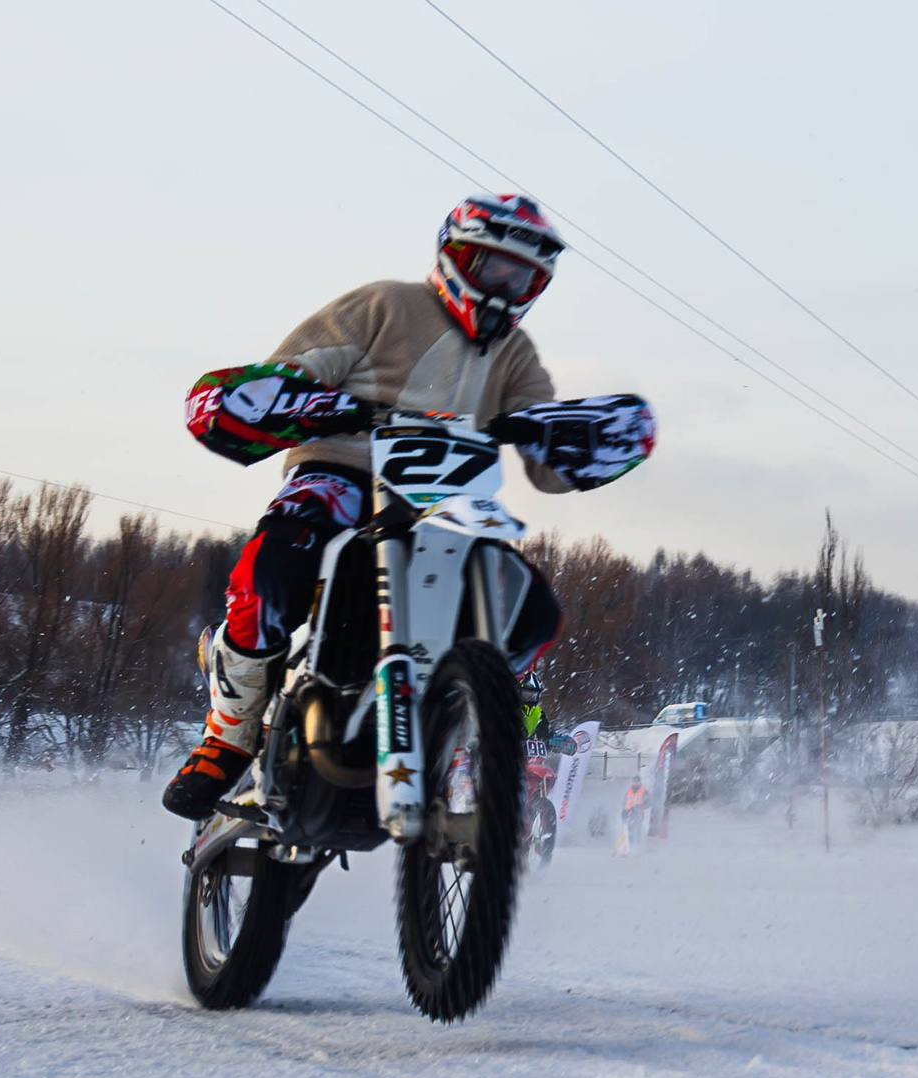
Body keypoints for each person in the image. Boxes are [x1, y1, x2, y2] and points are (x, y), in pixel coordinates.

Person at [163, 192, 658, 820]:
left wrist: (568, 437)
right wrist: (310, 399)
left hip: (448, 505)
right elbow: (295, 366)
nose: (505, 286)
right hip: (340, 471)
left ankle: (456, 716)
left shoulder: (516, 352)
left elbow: (543, 460)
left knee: (531, 611)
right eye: (493, 267)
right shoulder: (385, 304)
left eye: (522, 276)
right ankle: (228, 735)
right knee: (268, 572)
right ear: (457, 256)